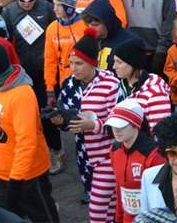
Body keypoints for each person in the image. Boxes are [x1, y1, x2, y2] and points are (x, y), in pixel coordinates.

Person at [0, 41, 59, 222]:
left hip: (27, 177)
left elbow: (27, 142)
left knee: (44, 217)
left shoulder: (22, 94)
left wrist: (16, 179)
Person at [55, 28, 122, 223]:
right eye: (71, 63)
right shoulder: (69, 84)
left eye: (78, 64)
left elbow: (117, 121)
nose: (73, 68)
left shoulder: (110, 83)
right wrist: (61, 122)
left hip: (107, 156)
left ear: (92, 63)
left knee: (97, 211)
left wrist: (93, 125)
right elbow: (67, 116)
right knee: (110, 208)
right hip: (84, 155)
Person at [106, 98, 165, 223]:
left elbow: (161, 197)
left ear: (135, 124)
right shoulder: (114, 150)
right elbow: (119, 188)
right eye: (113, 125)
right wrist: (119, 219)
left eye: (121, 125)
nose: (116, 130)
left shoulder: (153, 154)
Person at [111, 38, 173, 129]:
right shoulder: (119, 87)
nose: (114, 67)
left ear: (134, 64)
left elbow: (160, 135)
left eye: (119, 62)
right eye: (114, 61)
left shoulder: (155, 94)